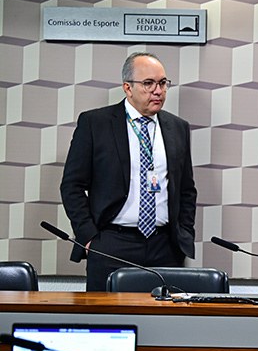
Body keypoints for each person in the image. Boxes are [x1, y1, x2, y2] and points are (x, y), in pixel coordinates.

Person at [60, 52, 197, 291]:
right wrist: (89, 237)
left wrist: (183, 234)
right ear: (127, 87)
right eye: (148, 83)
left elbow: (186, 190)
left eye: (163, 83)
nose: (158, 91)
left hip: (165, 246)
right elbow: (72, 185)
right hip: (111, 243)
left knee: (165, 313)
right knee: (107, 313)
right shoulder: (95, 123)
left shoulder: (178, 127)